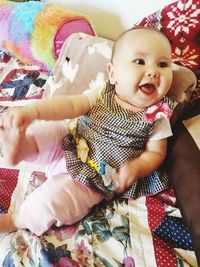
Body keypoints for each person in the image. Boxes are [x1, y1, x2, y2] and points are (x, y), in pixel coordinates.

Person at [0, 26, 175, 236]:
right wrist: (34, 112)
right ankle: (19, 148)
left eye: (163, 64)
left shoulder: (158, 116)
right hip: (71, 140)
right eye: (140, 61)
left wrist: (137, 167)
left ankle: (17, 219)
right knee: (49, 131)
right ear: (113, 73)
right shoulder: (103, 92)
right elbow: (72, 105)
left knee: (58, 199)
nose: (153, 71)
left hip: (96, 176)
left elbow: (156, 153)